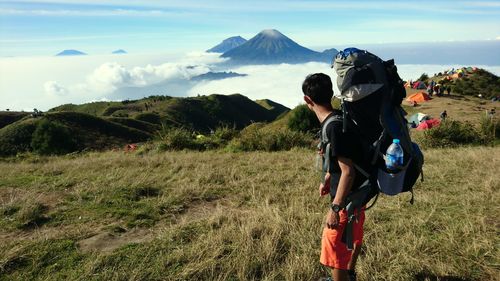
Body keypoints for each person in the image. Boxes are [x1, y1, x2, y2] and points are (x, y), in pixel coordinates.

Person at [302, 73, 367, 281]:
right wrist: (328, 178)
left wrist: (335, 208)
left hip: (347, 199)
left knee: (336, 246)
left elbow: (348, 170)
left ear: (307, 100)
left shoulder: (333, 127)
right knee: (351, 238)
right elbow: (340, 158)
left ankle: (342, 277)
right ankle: (349, 275)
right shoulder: (337, 118)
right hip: (357, 194)